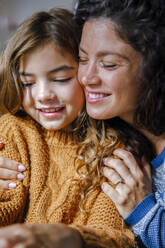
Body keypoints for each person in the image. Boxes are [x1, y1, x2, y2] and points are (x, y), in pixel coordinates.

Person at [0, 7, 136, 248]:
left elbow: (115, 236)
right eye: (28, 82)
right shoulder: (14, 132)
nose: (43, 95)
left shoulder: (115, 149)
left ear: (86, 74)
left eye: (61, 79)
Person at [74, 0, 165, 247]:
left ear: (154, 68)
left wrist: (145, 212)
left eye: (109, 64)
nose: (87, 77)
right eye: (82, 59)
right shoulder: (106, 127)